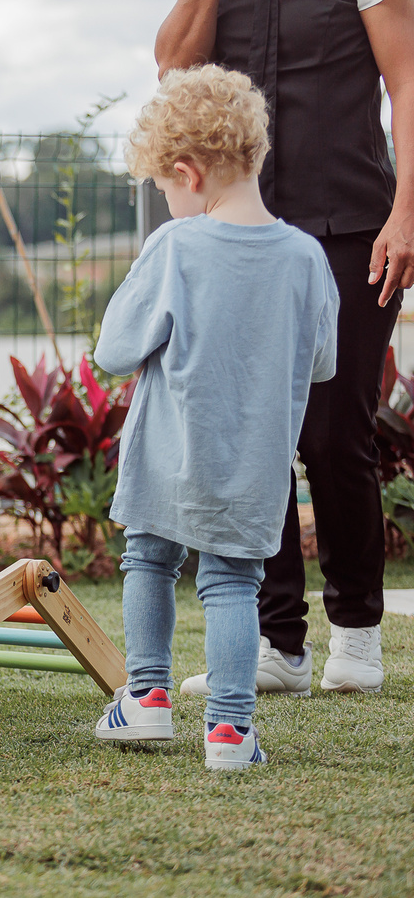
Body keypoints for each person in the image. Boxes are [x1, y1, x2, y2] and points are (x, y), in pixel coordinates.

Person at [156, 0, 414, 695]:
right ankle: (278, 644)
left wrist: (406, 212)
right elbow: (173, 67)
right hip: (241, 231)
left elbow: (406, 81)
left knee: (333, 433)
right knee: (250, 435)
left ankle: (357, 632)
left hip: (352, 225)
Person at [92, 65, 338, 770]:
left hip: (167, 454)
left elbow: (114, 350)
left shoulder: (174, 246)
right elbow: (321, 363)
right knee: (233, 583)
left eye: (162, 187)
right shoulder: (307, 257)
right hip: (254, 463)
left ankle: (147, 698)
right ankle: (230, 731)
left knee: (148, 559)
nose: (167, 200)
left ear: (186, 173)